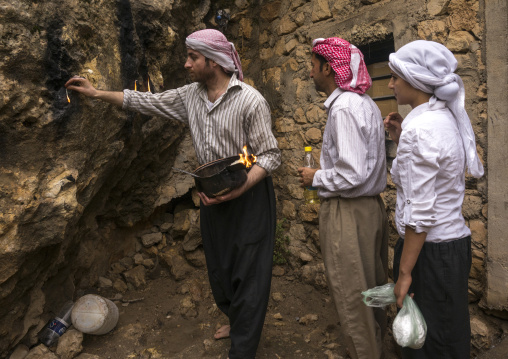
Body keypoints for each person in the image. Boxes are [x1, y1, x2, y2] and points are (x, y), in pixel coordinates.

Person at [65, 29, 281, 359]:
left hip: (249, 195)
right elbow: (145, 101)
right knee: (220, 270)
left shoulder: (250, 100)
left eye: (193, 57)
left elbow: (270, 155)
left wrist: (239, 189)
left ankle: (243, 349)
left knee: (248, 275)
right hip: (213, 194)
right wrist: (96, 94)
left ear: (213, 61)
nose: (186, 63)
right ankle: (238, 323)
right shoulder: (190, 96)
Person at [384, 40, 484, 358]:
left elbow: (421, 214)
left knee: (427, 340)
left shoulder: (421, 131)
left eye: (395, 77)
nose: (390, 84)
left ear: (414, 79)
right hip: (451, 246)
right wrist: (402, 138)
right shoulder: (440, 120)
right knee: (447, 332)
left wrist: (404, 274)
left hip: (430, 251)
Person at [298, 37, 389, 359]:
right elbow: (359, 167)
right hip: (370, 210)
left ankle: (367, 352)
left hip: (348, 213)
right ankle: (379, 343)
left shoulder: (345, 109)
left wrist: (316, 177)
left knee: (353, 294)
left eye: (312, 66)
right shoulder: (364, 103)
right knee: (375, 286)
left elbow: (351, 175)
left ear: (327, 67)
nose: (310, 73)